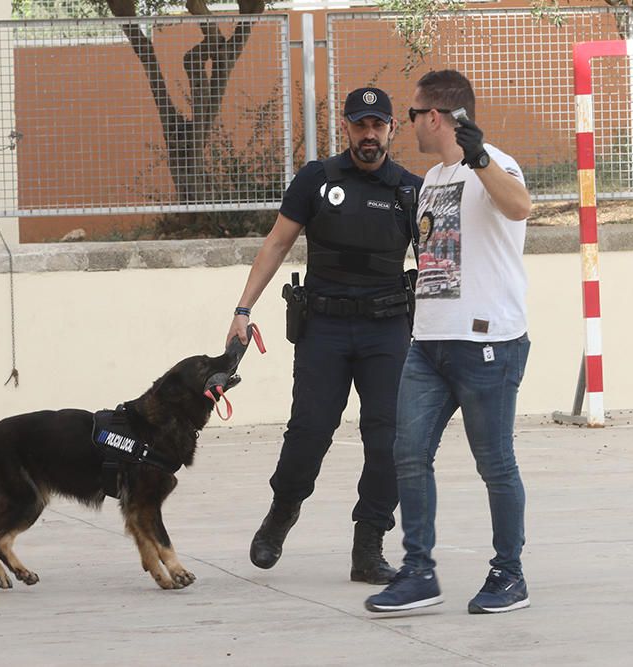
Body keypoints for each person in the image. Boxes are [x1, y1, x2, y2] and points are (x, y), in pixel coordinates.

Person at [226, 87, 423, 584]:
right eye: (360, 125)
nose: (369, 135)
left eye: (378, 125)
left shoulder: (409, 189)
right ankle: (282, 512)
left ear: (392, 129)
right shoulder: (317, 179)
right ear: (347, 129)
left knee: (390, 440)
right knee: (309, 431)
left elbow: (437, 263)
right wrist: (242, 309)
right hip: (326, 330)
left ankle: (369, 544)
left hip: (386, 332)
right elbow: (276, 243)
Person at [364, 69, 534, 614]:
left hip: (487, 343)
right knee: (408, 455)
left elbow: (520, 207)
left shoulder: (495, 163)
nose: (407, 122)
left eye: (412, 113)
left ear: (434, 116)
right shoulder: (434, 176)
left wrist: (480, 158)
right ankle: (418, 573)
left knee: (495, 463)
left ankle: (509, 575)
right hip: (429, 343)